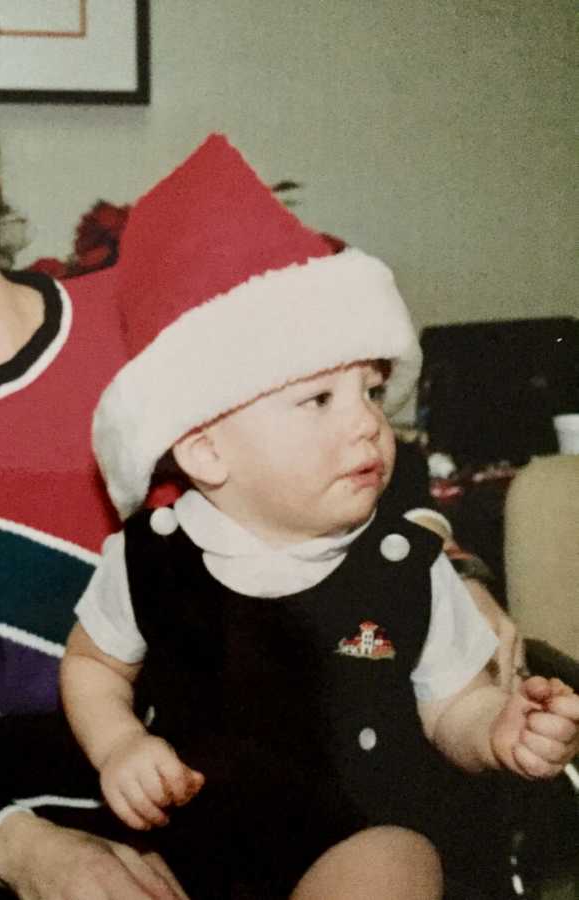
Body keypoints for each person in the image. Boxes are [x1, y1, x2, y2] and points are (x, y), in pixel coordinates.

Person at [0, 1, 526, 895]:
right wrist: (28, 849)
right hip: (41, 848)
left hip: (300, 802)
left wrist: (458, 575)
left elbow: (358, 450)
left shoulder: (147, 323)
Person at [59, 134, 579, 898]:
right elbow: (93, 665)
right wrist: (120, 745)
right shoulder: (148, 558)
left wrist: (496, 730)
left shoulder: (407, 565)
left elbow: (454, 707)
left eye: (371, 391)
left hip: (366, 838)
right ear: (205, 451)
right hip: (203, 854)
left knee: (389, 864)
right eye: (318, 400)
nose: (368, 423)